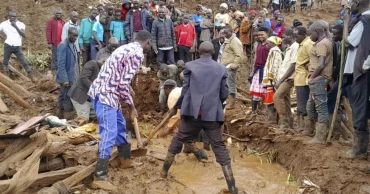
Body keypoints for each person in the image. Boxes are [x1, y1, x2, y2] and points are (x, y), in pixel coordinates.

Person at [161, 41, 237, 194]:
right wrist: (215, 104)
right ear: (213, 53)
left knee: (178, 139)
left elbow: (186, 91)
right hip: (212, 115)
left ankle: (163, 171)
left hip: (192, 113)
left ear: (198, 51)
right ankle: (232, 187)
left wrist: (176, 107)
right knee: (219, 147)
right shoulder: (221, 69)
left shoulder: (190, 66)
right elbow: (224, 93)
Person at [88, 30, 152, 191]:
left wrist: (128, 87)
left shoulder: (125, 48)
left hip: (109, 92)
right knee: (109, 133)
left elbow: (118, 74)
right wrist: (132, 107)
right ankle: (100, 175)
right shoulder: (138, 54)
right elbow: (122, 84)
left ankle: (125, 159)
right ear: (148, 43)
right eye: (150, 46)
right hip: (105, 95)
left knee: (120, 126)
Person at [343, 0, 370, 159]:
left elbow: (348, 42)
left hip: (361, 71)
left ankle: (359, 150)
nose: (349, 5)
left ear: (358, 2)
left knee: (360, 107)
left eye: (351, 2)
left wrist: (346, 22)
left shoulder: (364, 21)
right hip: (364, 68)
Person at [306, 21, 333, 144]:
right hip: (317, 78)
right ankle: (309, 130)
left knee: (321, 107)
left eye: (310, 33)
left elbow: (321, 64)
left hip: (319, 78)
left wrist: (312, 77)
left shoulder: (322, 44)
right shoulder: (322, 42)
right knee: (310, 105)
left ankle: (320, 137)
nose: (309, 36)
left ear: (317, 32)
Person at [68, 57, 107, 124]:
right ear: (102, 61)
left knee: (97, 114)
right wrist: (95, 88)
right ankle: (78, 132)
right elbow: (84, 78)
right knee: (84, 118)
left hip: (88, 98)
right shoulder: (91, 64)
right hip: (79, 96)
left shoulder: (102, 70)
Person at [274, 28, 299, 129]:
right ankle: (289, 123)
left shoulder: (295, 47)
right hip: (285, 77)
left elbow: (293, 65)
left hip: (289, 78)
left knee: (277, 96)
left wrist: (281, 80)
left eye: (284, 37)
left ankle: (283, 122)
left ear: (290, 36)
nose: (282, 39)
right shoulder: (289, 48)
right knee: (286, 99)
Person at [0, 10, 34, 81]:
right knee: (5, 62)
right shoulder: (4, 24)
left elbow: (23, 34)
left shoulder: (21, 24)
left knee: (24, 62)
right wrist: (2, 37)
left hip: (17, 47)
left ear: (16, 17)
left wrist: (15, 26)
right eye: (11, 16)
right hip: (8, 45)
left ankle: (31, 77)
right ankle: (7, 79)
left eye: (14, 16)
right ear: (8, 16)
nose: (12, 17)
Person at [293, 26, 314, 133]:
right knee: (301, 104)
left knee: (304, 104)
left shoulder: (308, 44)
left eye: (296, 36)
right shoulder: (301, 44)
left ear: (303, 35)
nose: (295, 38)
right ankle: (301, 127)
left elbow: (313, 59)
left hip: (304, 78)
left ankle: (307, 128)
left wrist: (308, 68)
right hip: (299, 78)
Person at [56, 27, 79, 120]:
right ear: (69, 34)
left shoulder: (72, 44)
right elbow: (61, 64)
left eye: (77, 36)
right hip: (66, 78)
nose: (76, 38)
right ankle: (68, 118)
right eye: (74, 36)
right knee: (67, 98)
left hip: (72, 76)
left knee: (63, 96)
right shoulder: (63, 45)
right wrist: (65, 79)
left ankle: (59, 116)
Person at [220, 26, 243, 110]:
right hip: (226, 67)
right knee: (226, 84)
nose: (225, 35)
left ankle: (231, 102)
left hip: (230, 67)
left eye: (227, 33)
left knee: (230, 84)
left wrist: (233, 66)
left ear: (232, 31)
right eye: (224, 33)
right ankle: (227, 101)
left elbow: (239, 55)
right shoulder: (229, 40)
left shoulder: (235, 41)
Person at [249, 27, 270, 114]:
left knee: (265, 91)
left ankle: (265, 111)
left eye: (262, 35)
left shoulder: (269, 45)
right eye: (258, 35)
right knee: (256, 92)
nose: (260, 36)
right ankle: (254, 111)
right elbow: (256, 58)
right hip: (257, 70)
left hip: (266, 70)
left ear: (267, 35)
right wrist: (253, 70)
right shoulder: (258, 44)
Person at [262, 36, 282, 124]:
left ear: (273, 44)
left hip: (271, 80)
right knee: (270, 100)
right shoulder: (272, 51)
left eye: (268, 43)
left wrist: (271, 79)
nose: (266, 45)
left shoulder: (275, 52)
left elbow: (274, 67)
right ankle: (272, 119)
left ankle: (272, 120)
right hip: (269, 80)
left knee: (271, 101)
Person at [46, 8, 65, 74]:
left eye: (60, 13)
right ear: (55, 13)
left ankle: (59, 71)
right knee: (54, 58)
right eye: (57, 13)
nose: (58, 14)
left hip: (61, 44)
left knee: (61, 58)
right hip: (54, 43)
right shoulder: (50, 21)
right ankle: (54, 72)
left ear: (62, 14)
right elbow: (48, 31)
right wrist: (49, 42)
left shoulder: (63, 22)